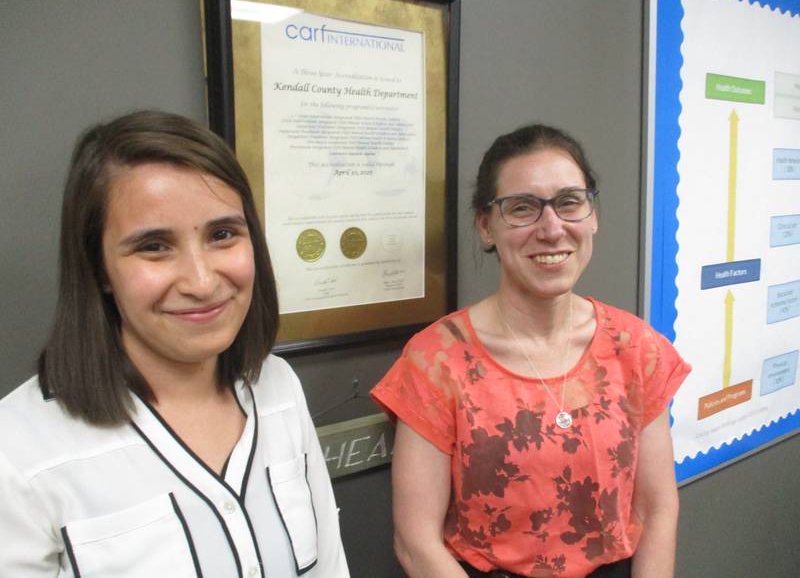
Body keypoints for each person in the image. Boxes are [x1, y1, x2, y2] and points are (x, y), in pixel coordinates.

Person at [0, 110, 349, 577]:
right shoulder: (18, 452)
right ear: (99, 268)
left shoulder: (278, 388)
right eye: (154, 246)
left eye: (222, 234)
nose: (202, 282)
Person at [372, 124, 690, 578]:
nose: (552, 228)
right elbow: (416, 542)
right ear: (486, 226)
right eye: (522, 208)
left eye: (569, 202)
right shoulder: (436, 361)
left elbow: (658, 510)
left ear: (592, 214)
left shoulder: (635, 347)